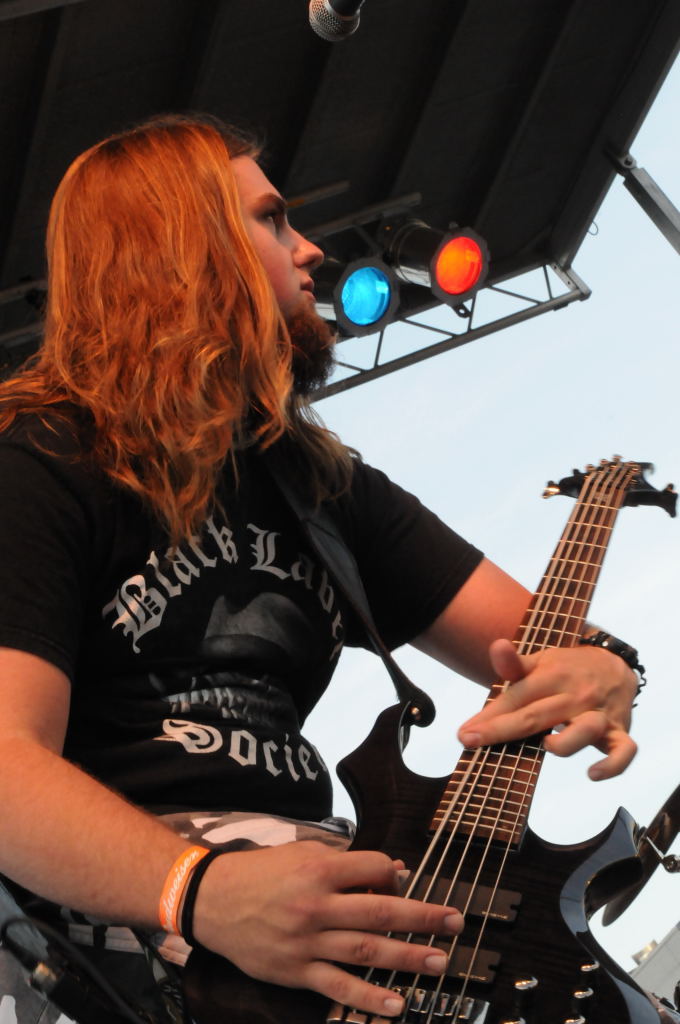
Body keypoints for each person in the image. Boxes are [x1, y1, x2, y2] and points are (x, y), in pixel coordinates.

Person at [0, 114, 638, 1023]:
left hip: (328, 900)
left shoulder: (317, 481)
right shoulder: (38, 458)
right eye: (272, 219)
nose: (310, 251)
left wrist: (605, 668)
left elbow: (541, 641)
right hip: (150, 930)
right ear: (180, 247)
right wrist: (199, 891)